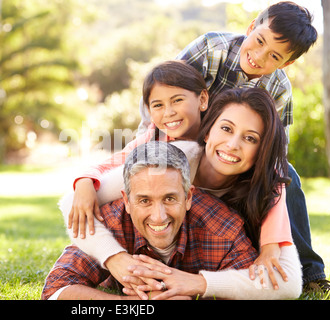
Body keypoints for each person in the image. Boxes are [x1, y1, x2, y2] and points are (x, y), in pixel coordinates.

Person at [134, 1, 330, 296]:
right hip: (183, 145)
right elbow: (162, 90)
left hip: (235, 160)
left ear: (286, 63)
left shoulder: (278, 90)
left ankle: (309, 270)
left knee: (286, 176)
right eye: (259, 41)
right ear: (251, 26)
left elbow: (274, 158)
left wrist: (270, 242)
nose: (258, 56)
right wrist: (147, 143)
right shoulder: (211, 48)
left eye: (274, 56)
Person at [62, 87, 302, 299]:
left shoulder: (265, 191)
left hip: (216, 258)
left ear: (262, 150)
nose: (233, 144)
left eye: (250, 138)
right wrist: (115, 259)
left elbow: (289, 285)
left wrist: (199, 283)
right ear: (207, 132)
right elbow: (73, 204)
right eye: (226, 128)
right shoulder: (173, 160)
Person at [42, 142, 302, 300]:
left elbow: (263, 287)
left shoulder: (223, 229)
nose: (158, 216)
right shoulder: (109, 221)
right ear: (127, 200)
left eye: (169, 199)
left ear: (189, 196)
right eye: (144, 200)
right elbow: (55, 291)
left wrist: (196, 288)